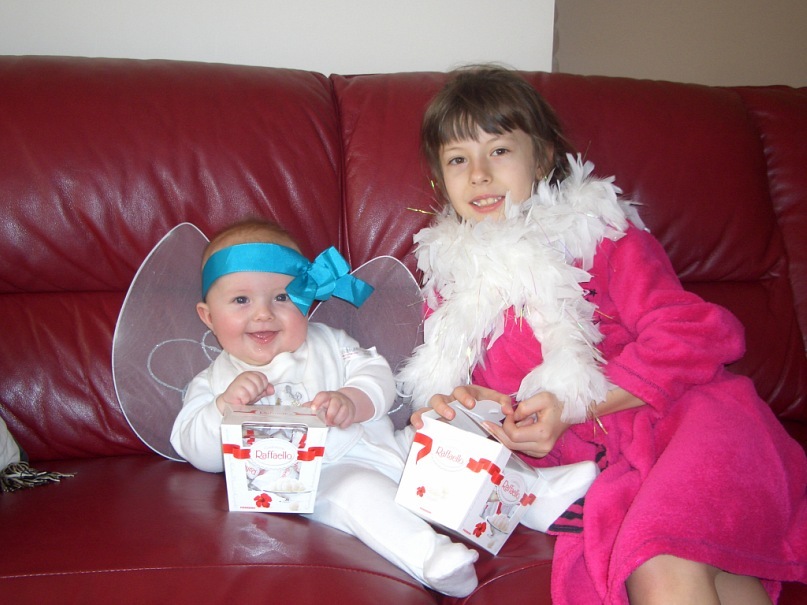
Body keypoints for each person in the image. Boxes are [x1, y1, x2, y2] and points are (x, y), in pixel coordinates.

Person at [400, 66, 807, 604]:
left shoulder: (603, 237)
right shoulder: (446, 286)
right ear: (440, 178)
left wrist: (576, 404)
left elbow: (697, 335)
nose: (478, 174)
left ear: (542, 157)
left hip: (683, 426)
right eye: (458, 159)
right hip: (600, 471)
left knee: (661, 566)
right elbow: (474, 395)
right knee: (710, 575)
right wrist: (474, 408)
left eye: (498, 150)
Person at [170, 219, 479, 597]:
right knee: (360, 492)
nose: (263, 313)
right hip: (320, 477)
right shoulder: (215, 382)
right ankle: (431, 558)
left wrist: (353, 399)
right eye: (241, 300)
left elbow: (376, 373)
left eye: (281, 298)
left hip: (391, 445)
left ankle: (535, 497)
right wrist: (224, 408)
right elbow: (194, 448)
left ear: (306, 299)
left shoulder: (332, 342)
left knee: (445, 430)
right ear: (208, 316)